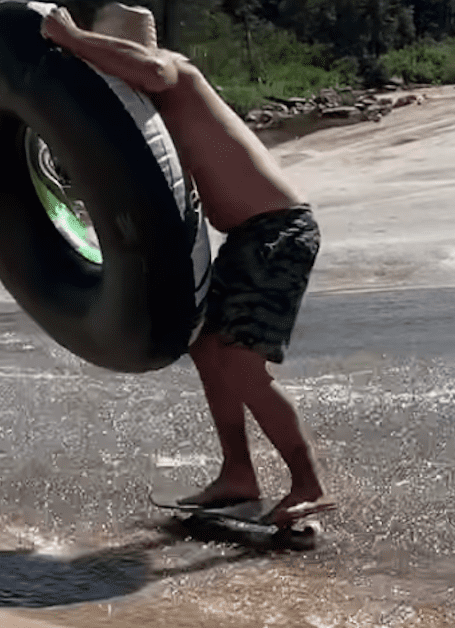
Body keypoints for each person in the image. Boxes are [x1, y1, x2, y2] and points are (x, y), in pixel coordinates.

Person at [43, 4, 331, 525]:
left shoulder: (173, 69)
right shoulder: (153, 117)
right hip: (246, 237)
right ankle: (238, 473)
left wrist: (71, 36)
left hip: (277, 231)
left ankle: (309, 485)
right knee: (206, 346)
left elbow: (153, 69)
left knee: (241, 364)